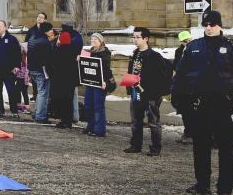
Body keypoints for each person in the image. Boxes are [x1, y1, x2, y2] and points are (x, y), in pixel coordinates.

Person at [172, 10, 233, 195]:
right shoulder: (193, 47)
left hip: (224, 105)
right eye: (206, 25)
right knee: (200, 146)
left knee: (226, 147)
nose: (209, 28)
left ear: (220, 26)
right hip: (200, 105)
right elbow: (181, 73)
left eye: (212, 25)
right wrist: (176, 96)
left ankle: (224, 188)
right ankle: (202, 185)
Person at [124, 26, 170, 157]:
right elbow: (131, 72)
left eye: (138, 37)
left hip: (150, 95)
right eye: (134, 37)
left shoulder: (154, 56)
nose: (135, 40)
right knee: (136, 121)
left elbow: (162, 76)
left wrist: (155, 92)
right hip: (135, 93)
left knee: (153, 122)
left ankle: (155, 148)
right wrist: (129, 87)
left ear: (146, 39)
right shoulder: (135, 54)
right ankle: (135, 145)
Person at [83, 32, 115, 137]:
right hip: (91, 82)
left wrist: (105, 81)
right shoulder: (91, 51)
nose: (93, 41)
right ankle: (90, 125)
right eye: (92, 40)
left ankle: (99, 129)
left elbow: (105, 69)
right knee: (88, 104)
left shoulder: (104, 53)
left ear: (100, 41)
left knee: (98, 106)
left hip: (101, 83)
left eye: (95, 40)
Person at [0, 20, 22, 119]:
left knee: (11, 91)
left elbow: (17, 53)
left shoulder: (12, 39)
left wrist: (17, 66)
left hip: (8, 71)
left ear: (5, 28)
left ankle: (14, 111)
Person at [48, 31, 80, 129]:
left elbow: (52, 65)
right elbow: (75, 67)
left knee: (62, 101)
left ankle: (63, 120)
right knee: (69, 101)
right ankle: (69, 121)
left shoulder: (58, 50)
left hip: (60, 81)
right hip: (70, 81)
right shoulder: (74, 51)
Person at [27, 22, 53, 123]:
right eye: (50, 29)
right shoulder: (45, 41)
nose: (52, 31)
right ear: (47, 30)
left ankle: (37, 113)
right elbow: (48, 58)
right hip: (41, 70)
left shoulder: (33, 37)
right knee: (43, 92)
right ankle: (40, 116)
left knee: (39, 92)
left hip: (33, 68)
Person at [61, 22, 84, 124]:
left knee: (69, 97)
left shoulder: (72, 41)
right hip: (72, 73)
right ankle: (72, 118)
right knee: (71, 97)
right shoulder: (76, 37)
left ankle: (71, 118)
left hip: (69, 74)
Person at [173, 30, 193, 143]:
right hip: (182, 86)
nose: (188, 43)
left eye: (189, 40)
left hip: (193, 86)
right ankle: (188, 133)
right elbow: (176, 66)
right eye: (185, 41)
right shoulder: (179, 51)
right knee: (185, 111)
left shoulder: (196, 50)